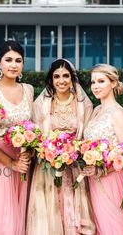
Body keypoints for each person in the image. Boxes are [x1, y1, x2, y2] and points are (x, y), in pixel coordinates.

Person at [27, 59, 95, 235]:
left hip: (75, 167)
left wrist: (73, 151)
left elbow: (87, 137)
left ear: (73, 79)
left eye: (66, 76)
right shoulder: (40, 105)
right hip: (47, 169)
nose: (61, 80)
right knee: (49, 212)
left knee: (73, 211)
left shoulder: (83, 105)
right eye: (56, 76)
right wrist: (51, 152)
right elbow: (38, 138)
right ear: (51, 79)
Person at [0, 40, 33, 235]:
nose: (13, 65)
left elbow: (33, 127)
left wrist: (30, 153)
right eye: (8, 60)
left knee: (20, 216)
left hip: (23, 161)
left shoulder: (28, 90)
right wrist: (11, 163)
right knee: (3, 220)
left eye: (18, 60)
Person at [81, 64, 123, 234]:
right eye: (93, 82)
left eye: (101, 81)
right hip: (93, 180)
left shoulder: (118, 113)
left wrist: (102, 169)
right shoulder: (96, 110)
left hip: (111, 179)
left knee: (112, 227)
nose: (95, 86)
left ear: (114, 83)